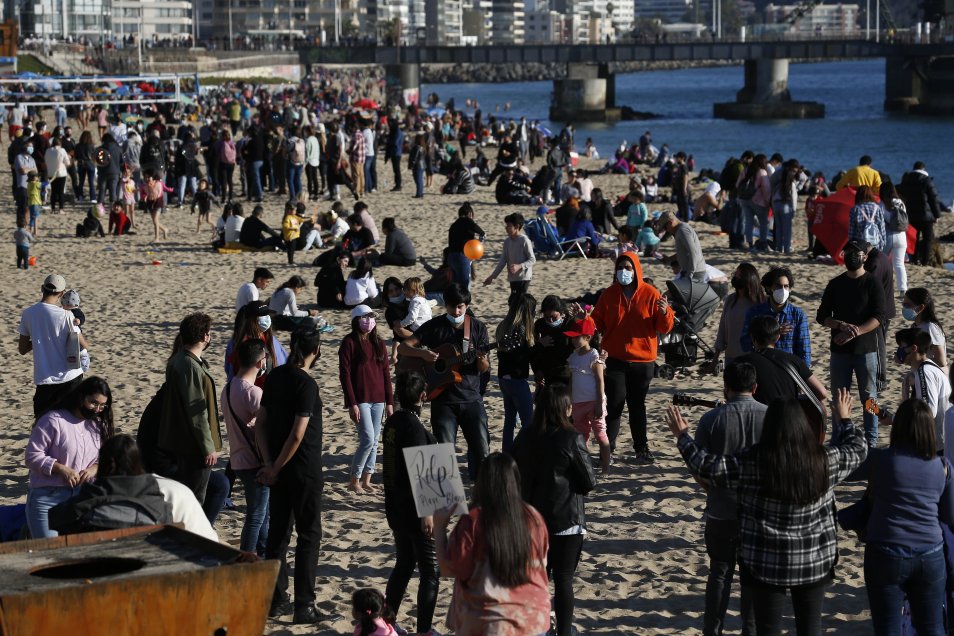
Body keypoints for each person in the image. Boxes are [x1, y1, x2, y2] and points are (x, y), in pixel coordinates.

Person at [667, 390, 868, 636]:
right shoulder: (825, 460)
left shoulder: (753, 463)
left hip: (765, 562)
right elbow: (859, 448)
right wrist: (845, 419)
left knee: (767, 630)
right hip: (814, 561)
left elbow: (706, 466)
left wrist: (683, 437)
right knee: (810, 628)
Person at [859, 398, 954, 635]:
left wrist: (844, 422)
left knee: (887, 628)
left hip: (886, 550)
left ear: (898, 427)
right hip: (930, 553)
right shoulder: (943, 466)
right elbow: (948, 515)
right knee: (932, 627)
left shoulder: (880, 461)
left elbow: (847, 463)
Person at [433, 452, 551, 635]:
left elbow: (448, 569)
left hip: (488, 623)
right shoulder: (534, 517)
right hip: (533, 618)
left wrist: (439, 526)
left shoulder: (474, 520)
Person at [511, 385, 596, 636]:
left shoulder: (524, 437)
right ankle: (564, 632)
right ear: (564, 408)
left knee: (538, 581)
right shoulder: (571, 438)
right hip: (566, 519)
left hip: (532, 521)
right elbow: (589, 482)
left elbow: (512, 475)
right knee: (564, 579)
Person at [255, 327, 325, 625]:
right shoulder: (305, 384)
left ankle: (276, 600)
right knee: (308, 535)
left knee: (278, 535)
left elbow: (260, 424)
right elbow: (297, 435)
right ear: (316, 351)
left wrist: (269, 463)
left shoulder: (275, 377)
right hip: (303, 468)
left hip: (279, 468)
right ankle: (304, 605)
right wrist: (276, 465)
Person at [690, 363, 765, 636]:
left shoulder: (712, 419)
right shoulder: (770, 416)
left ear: (726, 387)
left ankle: (713, 630)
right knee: (752, 576)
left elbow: (697, 464)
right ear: (755, 388)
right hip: (758, 511)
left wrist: (712, 489)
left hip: (722, 507)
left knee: (719, 573)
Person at [398, 283, 491, 481]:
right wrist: (423, 354)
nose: (456, 311)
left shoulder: (477, 327)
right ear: (445, 305)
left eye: (460, 307)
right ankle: (447, 500)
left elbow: (483, 368)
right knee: (444, 454)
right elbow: (403, 348)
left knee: (482, 449)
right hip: (441, 398)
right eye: (452, 307)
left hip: (471, 398)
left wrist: (482, 359)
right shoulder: (434, 326)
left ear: (466, 306)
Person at [48, 434, 218, 542]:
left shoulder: (92, 494)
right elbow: (206, 540)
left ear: (110, 465)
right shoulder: (173, 491)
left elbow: (55, 518)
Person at [590, 252, 674, 460]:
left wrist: (664, 312)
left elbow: (664, 327)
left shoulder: (651, 293)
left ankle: (641, 448)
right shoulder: (609, 294)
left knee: (637, 405)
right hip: (615, 358)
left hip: (643, 360)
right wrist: (584, 319)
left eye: (628, 268)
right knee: (614, 404)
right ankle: (607, 447)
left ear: (636, 270)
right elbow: (596, 324)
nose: (624, 272)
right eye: (620, 268)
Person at [382, 371, 440, 635]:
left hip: (396, 505)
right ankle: (424, 630)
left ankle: (386, 622)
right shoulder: (414, 427)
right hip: (415, 509)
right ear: (422, 397)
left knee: (404, 563)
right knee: (430, 571)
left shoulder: (393, 421)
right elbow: (422, 474)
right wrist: (428, 514)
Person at [24, 376, 115, 538]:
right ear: (81, 397)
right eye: (93, 403)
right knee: (50, 550)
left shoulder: (97, 425)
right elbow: (32, 456)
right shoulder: (53, 420)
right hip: (47, 498)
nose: (96, 409)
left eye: (102, 405)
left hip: (82, 499)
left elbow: (104, 458)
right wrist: (61, 469)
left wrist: (94, 469)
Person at [817, 240, 886, 446]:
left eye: (856, 253)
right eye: (848, 251)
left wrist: (855, 332)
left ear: (865, 256)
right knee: (840, 396)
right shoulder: (835, 284)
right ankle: (840, 438)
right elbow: (822, 316)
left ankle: (871, 440)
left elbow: (879, 316)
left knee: (870, 398)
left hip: (866, 350)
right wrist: (838, 325)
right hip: (839, 350)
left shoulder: (872, 283)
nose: (851, 256)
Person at [158, 313, 221, 505]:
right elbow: (197, 412)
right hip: (193, 446)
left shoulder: (180, 360)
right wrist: (208, 447)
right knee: (195, 501)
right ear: (204, 337)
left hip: (184, 442)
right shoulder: (189, 365)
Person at [220, 339, 270, 555]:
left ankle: (263, 553)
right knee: (256, 516)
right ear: (261, 363)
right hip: (254, 461)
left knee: (262, 513)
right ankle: (246, 558)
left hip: (238, 459)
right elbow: (266, 428)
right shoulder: (253, 393)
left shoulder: (228, 388)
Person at [339, 305, 394, 493]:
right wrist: (352, 403)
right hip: (360, 399)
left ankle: (367, 480)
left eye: (371, 316)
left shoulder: (379, 342)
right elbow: (344, 375)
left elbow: (386, 374)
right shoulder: (349, 343)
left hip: (379, 398)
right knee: (368, 439)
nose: (369, 320)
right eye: (365, 317)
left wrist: (390, 403)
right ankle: (354, 479)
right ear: (356, 320)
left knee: (375, 440)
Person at [18, 274, 87, 417]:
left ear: (42, 288)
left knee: (43, 426)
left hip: (44, 379)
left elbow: (22, 349)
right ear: (61, 294)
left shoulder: (28, 313)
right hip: (70, 377)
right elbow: (84, 344)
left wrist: (40, 337)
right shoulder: (67, 315)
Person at [736, 316, 829, 410]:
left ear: (752, 337)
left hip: (756, 418)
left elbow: (734, 396)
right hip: (789, 417)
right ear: (778, 337)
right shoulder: (794, 360)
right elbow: (822, 393)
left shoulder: (742, 363)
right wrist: (796, 400)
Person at [739, 266, 812, 368]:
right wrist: (771, 332)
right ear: (769, 288)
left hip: (787, 370)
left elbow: (804, 350)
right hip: (762, 367)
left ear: (790, 289)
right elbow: (744, 343)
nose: (782, 290)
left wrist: (803, 374)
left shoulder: (798, 315)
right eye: (778, 286)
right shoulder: (755, 312)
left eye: (786, 286)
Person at [892, 328, 952, 451]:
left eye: (901, 347)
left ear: (913, 348)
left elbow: (928, 412)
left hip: (937, 446)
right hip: (941, 441)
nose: (899, 351)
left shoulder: (924, 373)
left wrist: (895, 419)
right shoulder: (925, 368)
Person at [565, 315, 611, 472]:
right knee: (581, 436)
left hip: (593, 402)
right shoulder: (574, 356)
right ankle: (584, 467)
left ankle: (605, 467)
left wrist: (599, 403)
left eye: (576, 337)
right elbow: (572, 381)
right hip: (578, 403)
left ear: (588, 337)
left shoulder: (594, 356)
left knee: (600, 435)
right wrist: (569, 401)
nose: (573, 340)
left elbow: (600, 381)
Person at [495, 293, 536, 452]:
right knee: (528, 422)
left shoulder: (503, 326)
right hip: (516, 379)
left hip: (503, 378)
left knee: (510, 421)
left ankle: (507, 453)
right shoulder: (521, 329)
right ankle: (523, 453)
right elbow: (521, 356)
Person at [714, 263, 765, 369]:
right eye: (735, 274)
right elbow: (722, 330)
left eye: (739, 275)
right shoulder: (731, 300)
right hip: (731, 356)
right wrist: (715, 358)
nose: (735, 278)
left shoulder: (761, 302)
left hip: (752, 358)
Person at [483, 213, 535, 302]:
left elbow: (532, 259)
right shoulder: (507, 241)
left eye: (509, 226)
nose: (506, 228)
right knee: (512, 301)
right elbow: (503, 261)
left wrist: (519, 266)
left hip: (524, 277)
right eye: (506, 225)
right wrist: (492, 277)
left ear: (517, 226)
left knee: (518, 302)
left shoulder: (524, 240)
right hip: (512, 278)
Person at [899, 161, 941, 267]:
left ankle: (914, 258)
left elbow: (903, 195)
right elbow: (933, 199)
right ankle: (925, 261)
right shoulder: (927, 181)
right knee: (927, 238)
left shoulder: (907, 180)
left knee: (915, 237)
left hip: (911, 215)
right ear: (923, 169)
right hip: (926, 216)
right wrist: (937, 215)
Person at [531, 295, 575, 388]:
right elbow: (533, 352)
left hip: (567, 373)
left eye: (554, 317)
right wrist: (540, 344)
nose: (550, 320)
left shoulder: (570, 324)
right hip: (547, 374)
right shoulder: (540, 325)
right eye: (546, 317)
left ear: (561, 312)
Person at [902, 288, 948, 370]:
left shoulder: (930, 327)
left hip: (931, 377)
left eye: (907, 305)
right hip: (921, 374)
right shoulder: (915, 326)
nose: (904, 308)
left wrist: (916, 360)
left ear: (920, 307)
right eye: (903, 304)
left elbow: (941, 361)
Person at [656, 210, 707, 282]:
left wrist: (690, 273)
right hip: (688, 271)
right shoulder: (679, 230)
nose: (666, 231)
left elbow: (693, 252)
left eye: (665, 228)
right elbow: (684, 251)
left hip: (695, 272)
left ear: (670, 223)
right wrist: (670, 259)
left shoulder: (683, 230)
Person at [447, 203, 485, 292]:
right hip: (462, 256)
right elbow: (483, 233)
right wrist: (479, 244)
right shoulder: (469, 221)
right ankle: (465, 305)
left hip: (451, 257)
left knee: (455, 286)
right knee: (464, 286)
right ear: (470, 214)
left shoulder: (454, 225)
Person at [736, 154, 771, 251]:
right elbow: (766, 189)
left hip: (744, 199)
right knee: (764, 222)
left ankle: (750, 243)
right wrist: (769, 201)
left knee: (749, 222)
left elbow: (737, 184)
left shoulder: (745, 170)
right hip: (758, 201)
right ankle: (763, 242)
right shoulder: (762, 172)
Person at [879, 181, 908, 295]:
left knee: (883, 263)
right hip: (901, 236)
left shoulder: (882, 203)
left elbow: (880, 219)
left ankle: (884, 288)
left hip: (888, 235)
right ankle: (903, 290)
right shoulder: (900, 202)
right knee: (899, 264)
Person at [848, 186, 887, 253]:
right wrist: (883, 242)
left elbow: (852, 231)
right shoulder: (877, 208)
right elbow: (882, 228)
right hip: (875, 243)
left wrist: (851, 244)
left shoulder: (855, 209)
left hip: (860, 245)